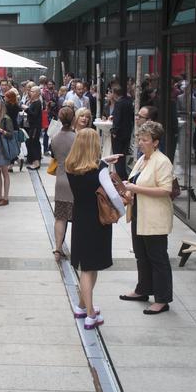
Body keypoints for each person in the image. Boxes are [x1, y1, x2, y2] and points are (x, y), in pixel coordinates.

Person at [65, 129, 125, 329]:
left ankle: (82, 306)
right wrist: (122, 211)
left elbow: (88, 166)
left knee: (86, 264)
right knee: (90, 268)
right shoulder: (99, 169)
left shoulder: (70, 166)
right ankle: (90, 313)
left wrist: (105, 161)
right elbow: (114, 196)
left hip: (80, 218)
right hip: (97, 221)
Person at [120, 121, 175, 315]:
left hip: (154, 218)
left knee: (157, 258)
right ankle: (142, 290)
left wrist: (135, 189)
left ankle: (162, 299)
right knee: (141, 255)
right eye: (139, 139)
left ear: (156, 142)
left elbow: (166, 189)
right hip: (139, 214)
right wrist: (128, 189)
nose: (140, 143)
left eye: (144, 140)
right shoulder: (143, 159)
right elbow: (136, 181)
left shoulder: (162, 161)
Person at [49, 106, 76, 261]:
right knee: (76, 217)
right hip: (75, 180)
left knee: (60, 217)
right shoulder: (77, 138)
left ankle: (58, 249)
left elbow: (53, 154)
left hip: (60, 180)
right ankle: (77, 249)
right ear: (73, 119)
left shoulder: (55, 138)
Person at [111, 87, 134, 180]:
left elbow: (117, 119)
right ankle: (124, 176)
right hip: (127, 133)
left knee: (118, 158)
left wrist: (114, 131)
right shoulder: (129, 102)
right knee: (123, 157)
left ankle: (121, 177)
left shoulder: (118, 103)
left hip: (119, 135)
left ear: (114, 93)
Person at [25, 86, 43, 170]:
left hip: (35, 127)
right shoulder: (33, 102)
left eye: (32, 91)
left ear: (37, 93)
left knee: (33, 143)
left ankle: (36, 163)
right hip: (32, 126)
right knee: (32, 142)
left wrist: (26, 109)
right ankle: (36, 160)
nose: (30, 93)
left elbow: (34, 114)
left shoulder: (37, 103)